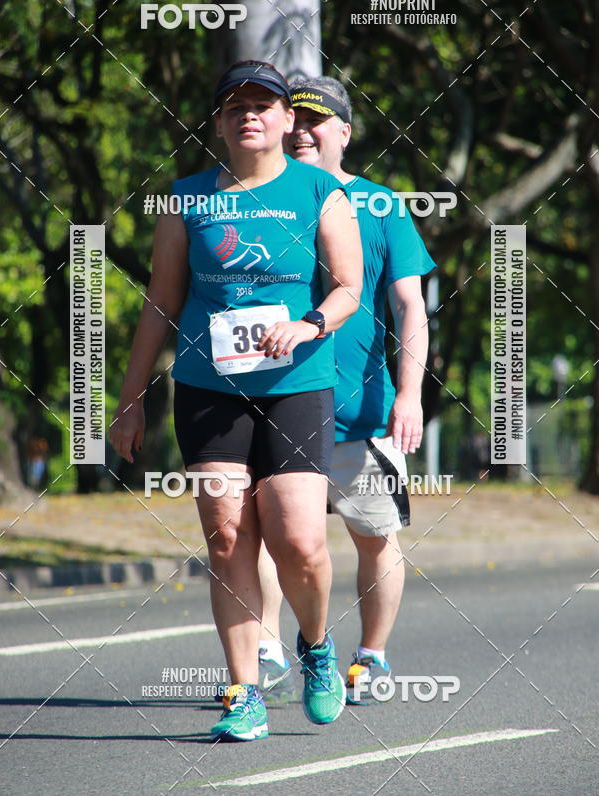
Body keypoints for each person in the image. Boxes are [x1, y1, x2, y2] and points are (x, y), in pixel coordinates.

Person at [110, 61, 362, 741]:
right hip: (207, 390)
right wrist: (129, 401)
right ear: (218, 123)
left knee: (301, 543)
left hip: (297, 386)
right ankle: (242, 692)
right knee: (227, 540)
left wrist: (310, 324)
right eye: (235, 106)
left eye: (263, 104)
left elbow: (347, 286)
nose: (249, 114)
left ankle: (315, 646)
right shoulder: (186, 200)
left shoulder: (320, 192)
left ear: (286, 119)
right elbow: (160, 305)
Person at [256, 76, 435, 705]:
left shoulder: (382, 206)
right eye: (294, 120)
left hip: (359, 410)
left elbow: (410, 306)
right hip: (274, 403)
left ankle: (371, 655)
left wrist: (409, 394)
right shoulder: (257, 199)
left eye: (318, 121)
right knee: (269, 535)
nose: (303, 132)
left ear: (345, 132)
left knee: (375, 536)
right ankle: (267, 652)